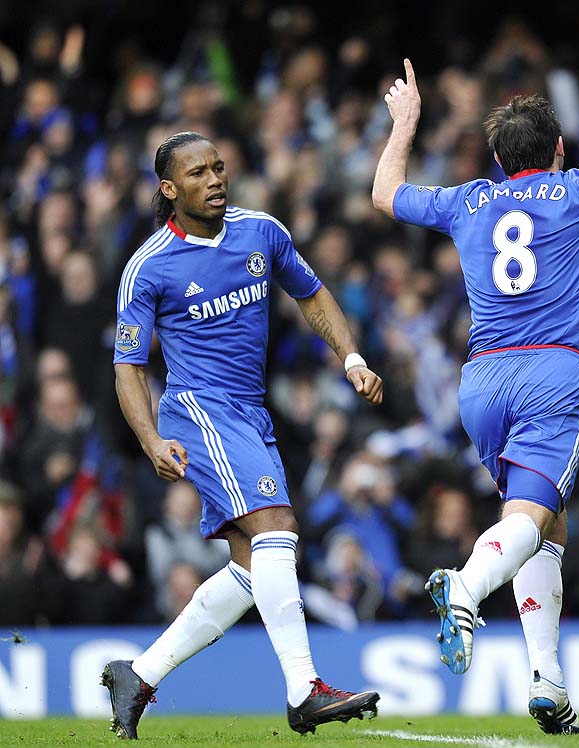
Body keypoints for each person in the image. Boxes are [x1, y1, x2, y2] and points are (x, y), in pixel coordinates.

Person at [372, 9, 579, 736]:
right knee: (525, 519)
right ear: (557, 148)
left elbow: (384, 195)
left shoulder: (468, 201)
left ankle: (547, 681)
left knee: (548, 522)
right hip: (554, 374)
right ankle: (466, 586)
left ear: (496, 158)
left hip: (482, 384)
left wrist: (406, 122)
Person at [103, 131, 383, 739]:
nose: (215, 180)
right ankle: (305, 689)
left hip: (251, 415)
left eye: (219, 167)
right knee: (276, 526)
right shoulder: (149, 266)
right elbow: (128, 366)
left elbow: (312, 295)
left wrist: (352, 358)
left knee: (255, 565)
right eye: (198, 173)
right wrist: (150, 440)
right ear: (169, 189)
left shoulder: (262, 232)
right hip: (198, 411)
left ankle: (140, 673)